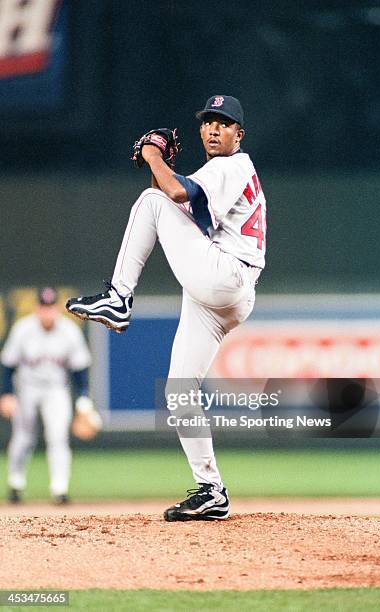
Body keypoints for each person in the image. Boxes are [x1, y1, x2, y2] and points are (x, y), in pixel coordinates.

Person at [66, 95, 267, 520]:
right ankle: (212, 490)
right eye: (208, 122)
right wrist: (160, 165)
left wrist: (153, 153)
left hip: (225, 275)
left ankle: (119, 297)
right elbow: (181, 197)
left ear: (239, 134)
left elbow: (169, 192)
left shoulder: (231, 165)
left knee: (150, 201)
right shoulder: (217, 173)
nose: (214, 129)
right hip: (222, 292)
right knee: (180, 391)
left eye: (224, 123)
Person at [0, 287, 92, 504]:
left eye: (51, 307)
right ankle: (16, 483)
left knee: (58, 437)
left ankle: (60, 489)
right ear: (37, 309)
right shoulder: (23, 329)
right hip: (26, 388)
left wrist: (83, 398)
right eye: (43, 307)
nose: (47, 312)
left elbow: (80, 368)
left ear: (56, 309)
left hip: (56, 389)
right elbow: (8, 365)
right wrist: (6, 394)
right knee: (23, 438)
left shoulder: (69, 330)